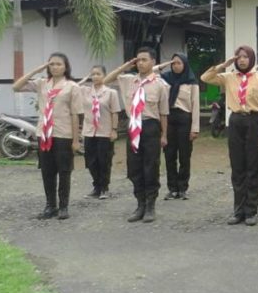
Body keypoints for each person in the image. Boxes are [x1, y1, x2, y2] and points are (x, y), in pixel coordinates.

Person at [201, 45, 258, 226]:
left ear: (252, 59)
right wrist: (225, 64)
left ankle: (251, 211)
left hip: (254, 121)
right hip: (235, 122)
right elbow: (205, 77)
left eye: (245, 57)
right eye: (238, 57)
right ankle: (238, 210)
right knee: (237, 167)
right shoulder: (229, 77)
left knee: (253, 167)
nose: (241, 60)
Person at [12, 52, 81, 220]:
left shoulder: (72, 87)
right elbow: (17, 87)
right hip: (44, 134)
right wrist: (37, 70)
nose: (55, 67)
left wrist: (76, 139)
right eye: (52, 64)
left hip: (63, 134)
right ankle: (51, 206)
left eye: (59, 64)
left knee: (64, 171)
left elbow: (75, 114)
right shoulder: (42, 84)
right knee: (47, 171)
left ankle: (63, 206)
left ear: (66, 67)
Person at [105, 47, 169, 223]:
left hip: (150, 126)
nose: (140, 63)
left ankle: (150, 205)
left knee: (151, 166)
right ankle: (140, 203)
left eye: (144, 60)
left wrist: (164, 135)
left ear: (153, 62)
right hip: (133, 126)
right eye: (138, 60)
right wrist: (126, 66)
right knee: (134, 167)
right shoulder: (128, 80)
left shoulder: (160, 85)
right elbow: (106, 80)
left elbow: (163, 112)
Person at [153, 53, 200, 200]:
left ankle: (183, 187)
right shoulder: (165, 79)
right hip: (168, 119)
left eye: (179, 63)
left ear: (185, 64)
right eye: (174, 63)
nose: (176, 66)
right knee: (169, 155)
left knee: (185, 156)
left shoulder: (191, 82)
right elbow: (152, 71)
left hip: (185, 119)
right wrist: (165, 63)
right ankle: (172, 188)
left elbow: (195, 105)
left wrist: (195, 128)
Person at [78, 66, 121, 200]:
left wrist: (114, 129)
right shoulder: (85, 91)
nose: (95, 76)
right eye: (93, 74)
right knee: (91, 161)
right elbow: (71, 88)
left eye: (98, 74)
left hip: (105, 131)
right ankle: (96, 186)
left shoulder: (110, 92)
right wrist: (83, 80)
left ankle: (104, 188)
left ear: (104, 75)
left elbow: (115, 112)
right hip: (89, 131)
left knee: (104, 160)